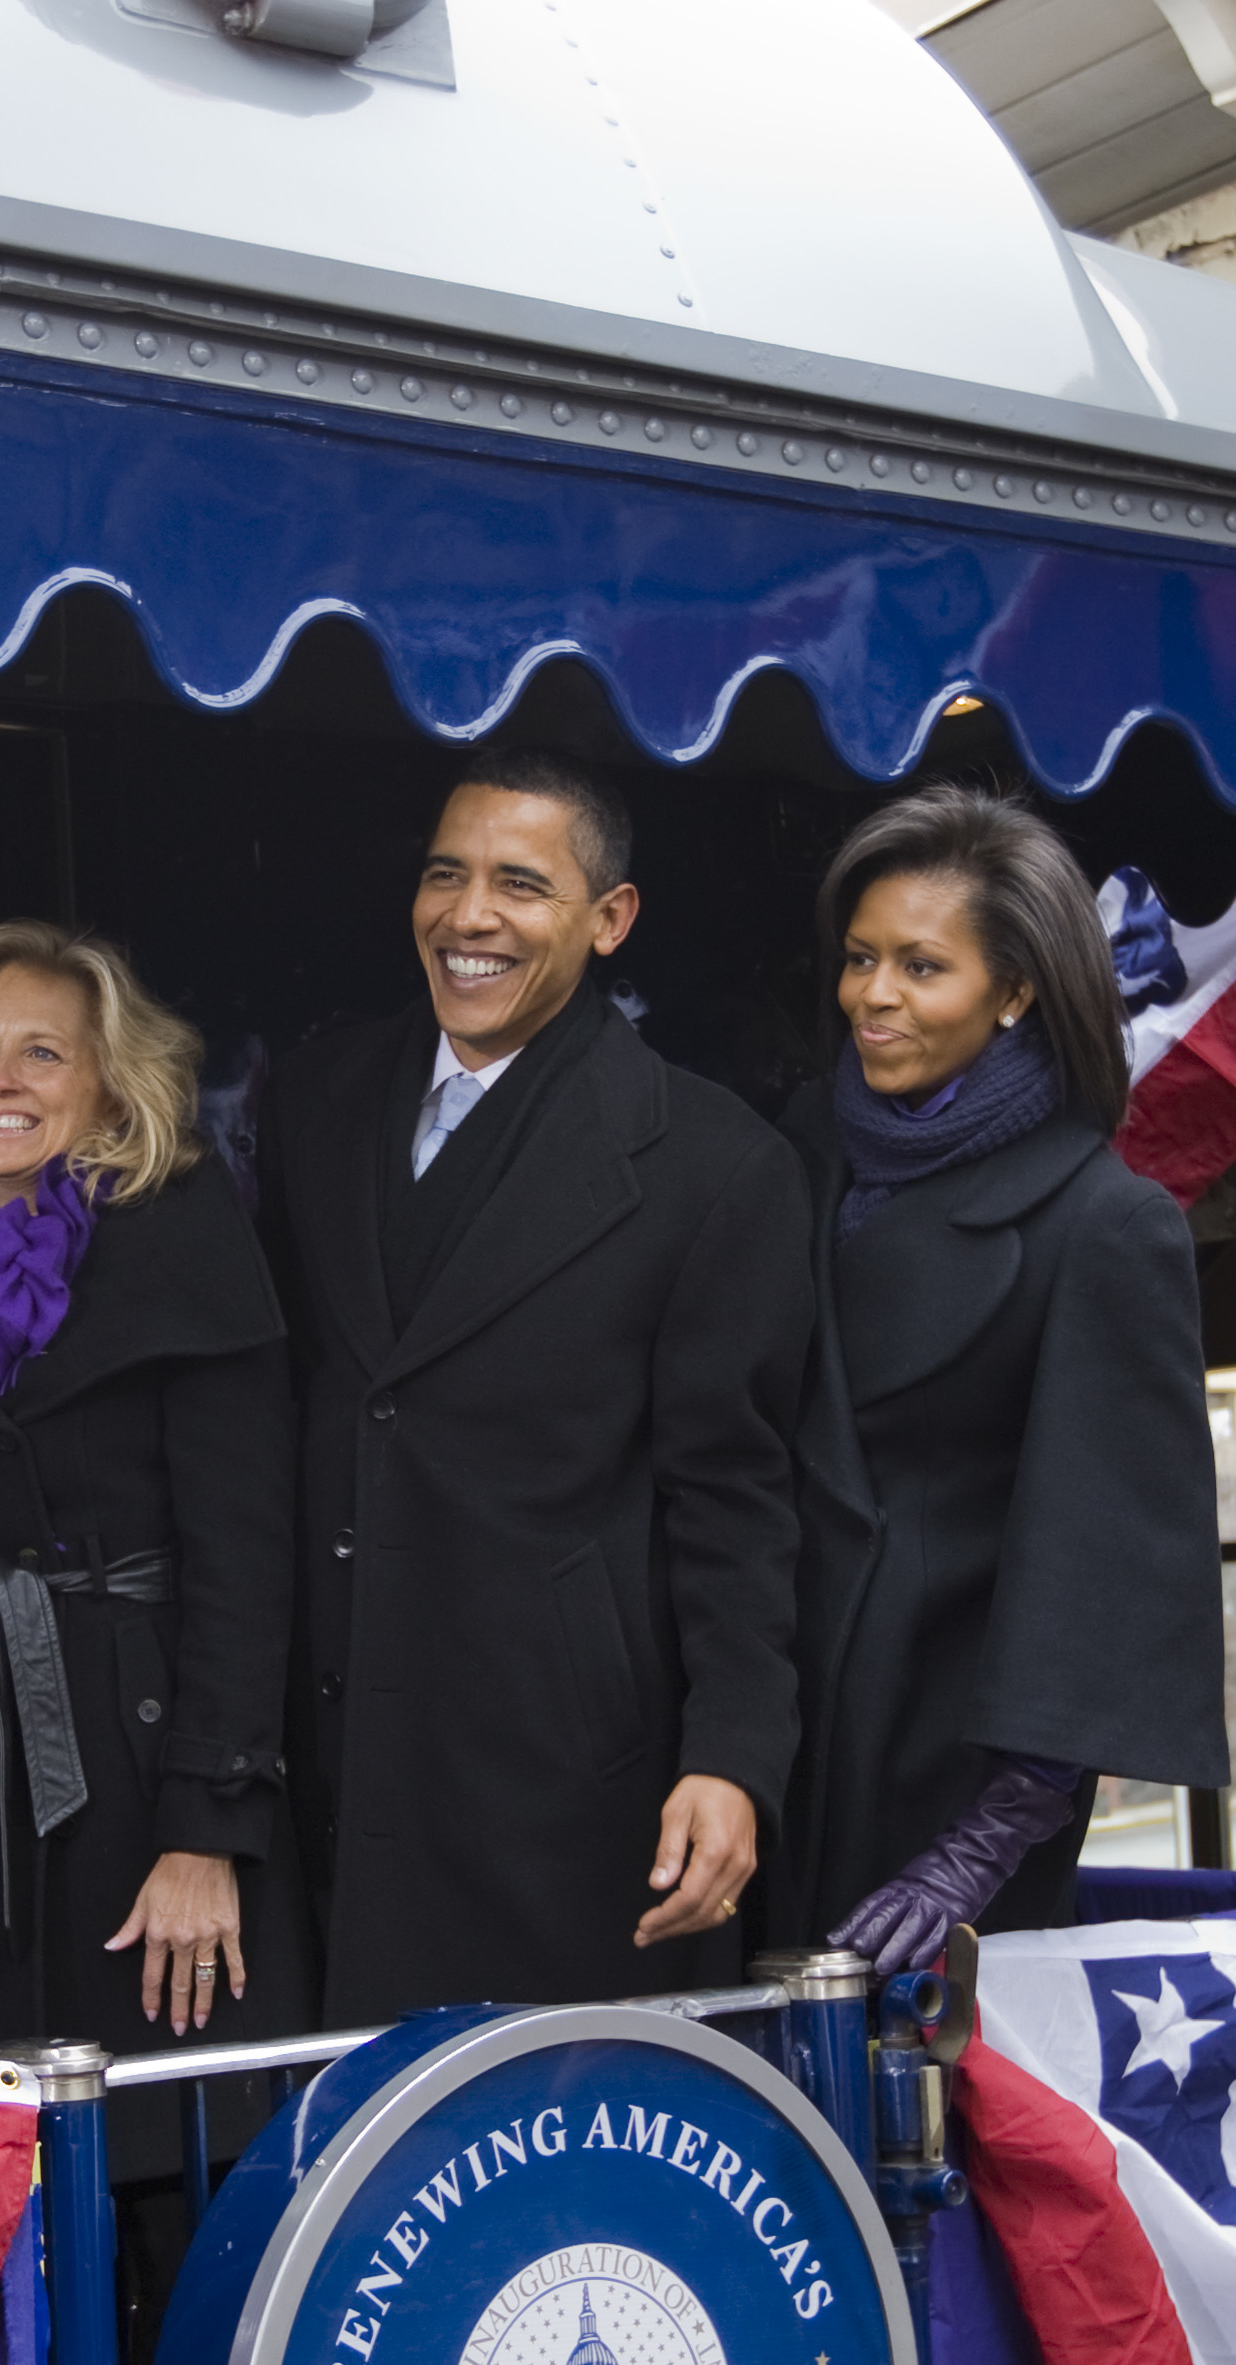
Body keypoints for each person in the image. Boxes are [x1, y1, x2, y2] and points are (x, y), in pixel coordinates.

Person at [262, 751, 815, 2016]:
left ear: (610, 919)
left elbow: (736, 1501)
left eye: (522, 883)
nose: (469, 916)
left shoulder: (717, 1165)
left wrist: (733, 1758)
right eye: (446, 875)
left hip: (566, 1798)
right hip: (329, 1759)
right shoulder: (317, 1100)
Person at [783, 787, 1227, 1974]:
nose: (873, 997)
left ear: (1016, 991)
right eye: (861, 958)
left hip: (935, 1791)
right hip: (760, 1744)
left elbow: (1109, 1571)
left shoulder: (1106, 1223)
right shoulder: (795, 1156)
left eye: (922, 967)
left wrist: (980, 1848)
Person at [0, 922, 302, 2061]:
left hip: (149, 1773)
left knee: (160, 2139)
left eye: (43, 1053)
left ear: (113, 1088)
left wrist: (207, 1830)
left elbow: (246, 1558)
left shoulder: (185, 1241)